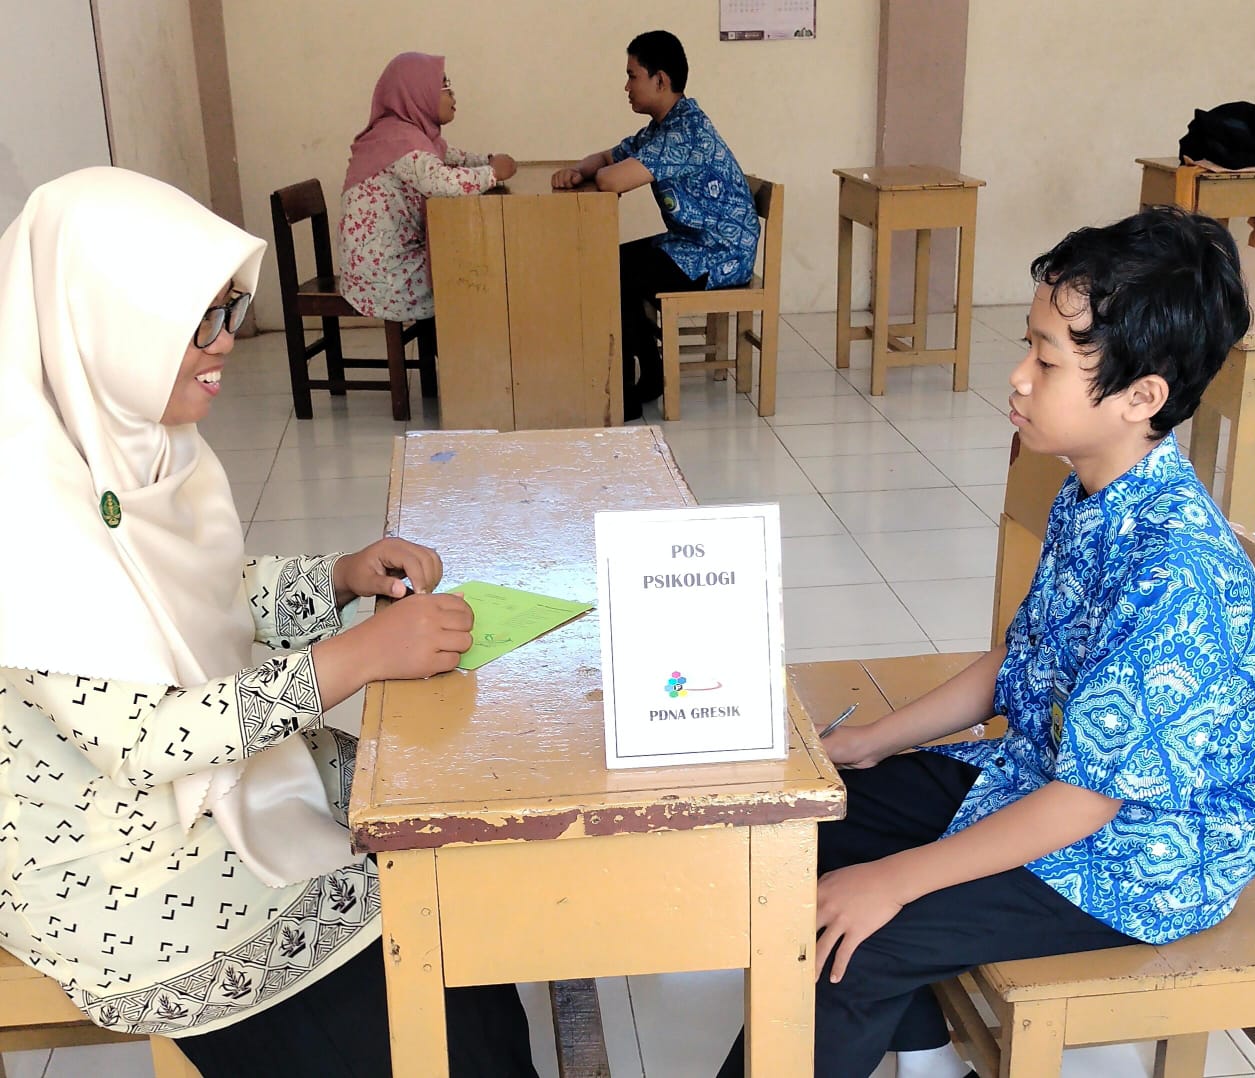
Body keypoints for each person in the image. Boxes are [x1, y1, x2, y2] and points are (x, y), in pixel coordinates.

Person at [717, 206, 1255, 1078]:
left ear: (1143, 397)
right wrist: (863, 744)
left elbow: (1089, 804)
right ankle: (923, 1052)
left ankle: (884, 1020)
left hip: (1140, 859)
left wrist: (902, 877)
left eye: (1046, 358)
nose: (1018, 377)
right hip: (1044, 779)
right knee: (809, 819)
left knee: (847, 942)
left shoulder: (1178, 577)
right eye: (1027, 346)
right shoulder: (1092, 488)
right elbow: (1017, 660)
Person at [0, 167, 538, 1078]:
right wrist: (353, 658)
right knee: (415, 1011)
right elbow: (147, 738)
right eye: (195, 323)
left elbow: (196, 592)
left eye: (231, 314)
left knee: (444, 873)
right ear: (104, 323)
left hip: (215, 785)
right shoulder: (21, 515)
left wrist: (340, 576)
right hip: (122, 867)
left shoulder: (135, 445)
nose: (226, 345)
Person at [552, 31, 760, 421]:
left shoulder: (684, 133)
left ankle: (636, 386)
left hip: (719, 254)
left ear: (660, 80)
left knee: (616, 271)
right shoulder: (661, 127)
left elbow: (614, 179)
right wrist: (577, 171)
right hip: (692, 243)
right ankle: (649, 374)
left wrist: (596, 174)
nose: (626, 86)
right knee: (609, 262)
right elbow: (607, 157)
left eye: (633, 75)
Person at [339, 51, 517, 322]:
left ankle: (463, 354)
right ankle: (466, 356)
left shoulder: (413, 136)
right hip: (384, 278)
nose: (453, 95)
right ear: (417, 92)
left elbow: (455, 159)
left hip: (393, 264)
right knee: (472, 273)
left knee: (469, 266)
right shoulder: (399, 141)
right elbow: (441, 183)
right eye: (445, 86)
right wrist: (492, 173)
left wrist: (488, 161)